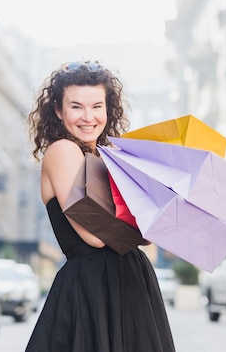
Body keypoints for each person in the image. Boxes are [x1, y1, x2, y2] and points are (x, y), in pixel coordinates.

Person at [26, 61, 175, 351]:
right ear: (58, 110)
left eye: (97, 106)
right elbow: (94, 234)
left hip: (129, 282)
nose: (88, 117)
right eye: (76, 106)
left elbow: (140, 236)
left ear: (108, 109)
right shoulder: (62, 150)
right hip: (93, 288)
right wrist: (146, 215)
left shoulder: (109, 157)